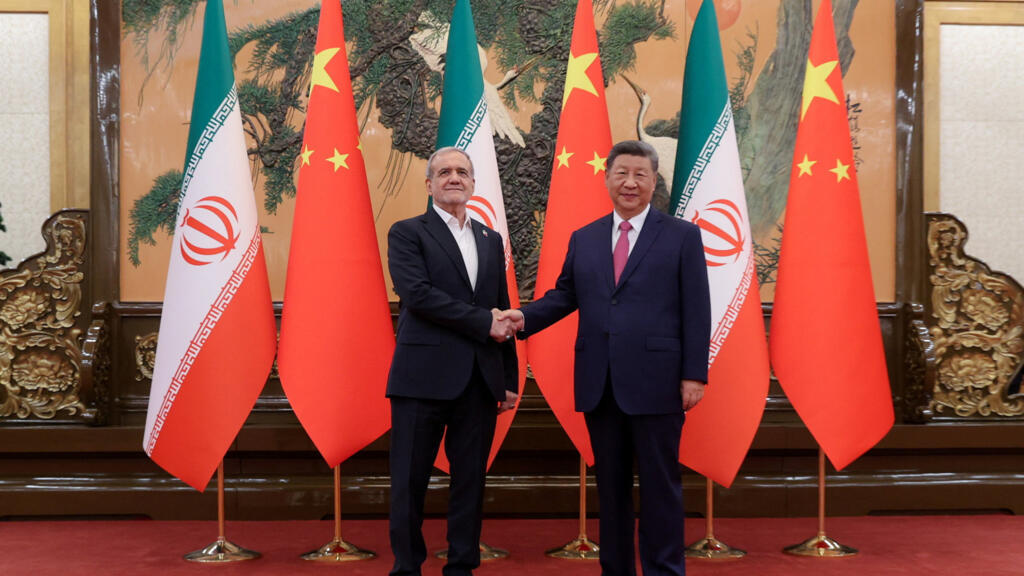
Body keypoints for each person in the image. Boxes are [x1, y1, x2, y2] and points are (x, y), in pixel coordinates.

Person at [502, 140, 711, 575]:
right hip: (601, 382)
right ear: (607, 179)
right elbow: (565, 296)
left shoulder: (682, 236)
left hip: (659, 382)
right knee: (611, 489)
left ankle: (664, 570)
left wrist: (694, 374)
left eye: (640, 175)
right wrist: (523, 317)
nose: (630, 183)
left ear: (654, 181)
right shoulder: (586, 237)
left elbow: (697, 308)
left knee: (660, 487)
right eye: (622, 174)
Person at [386, 146, 519, 576]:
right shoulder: (407, 232)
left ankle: (462, 566)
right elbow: (418, 295)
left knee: (470, 483)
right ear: (430, 185)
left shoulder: (491, 239)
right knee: (409, 482)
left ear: (474, 183)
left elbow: (501, 307)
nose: (454, 178)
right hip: (421, 379)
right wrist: (483, 322)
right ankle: (407, 567)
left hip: (479, 380)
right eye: (444, 172)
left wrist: (509, 378)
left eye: (462, 171)